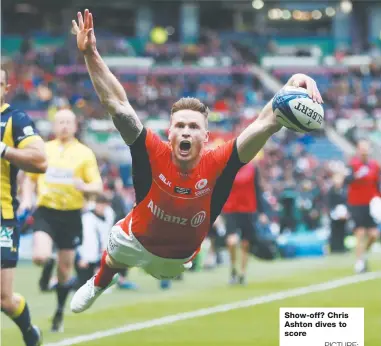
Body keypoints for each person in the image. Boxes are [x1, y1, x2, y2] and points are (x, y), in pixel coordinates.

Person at [70, 9, 323, 313]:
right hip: (133, 239)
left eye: (193, 127)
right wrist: (91, 54)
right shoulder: (152, 149)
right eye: (180, 126)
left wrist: (294, 83)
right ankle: (99, 282)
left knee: (270, 126)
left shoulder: (219, 160)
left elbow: (266, 121)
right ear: (169, 132)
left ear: (206, 135)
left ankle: (111, 274)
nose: (186, 131)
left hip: (176, 261)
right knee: (113, 257)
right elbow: (116, 103)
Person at [21, 108, 102, 331]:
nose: (64, 126)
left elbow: (97, 185)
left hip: (71, 215)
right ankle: (47, 264)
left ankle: (58, 312)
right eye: (60, 122)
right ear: (54, 126)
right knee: (39, 256)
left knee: (65, 271)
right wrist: (27, 199)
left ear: (75, 126)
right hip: (46, 211)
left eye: (68, 122)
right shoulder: (44, 150)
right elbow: (29, 179)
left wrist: (84, 187)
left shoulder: (85, 154)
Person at [0, 65, 48, 346]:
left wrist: (3, 149)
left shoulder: (14, 119)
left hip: (2, 219)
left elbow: (40, 160)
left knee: (4, 299)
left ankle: (31, 337)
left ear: (4, 88)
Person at [222, 161, 266, 285]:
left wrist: (262, 212)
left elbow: (257, 189)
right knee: (232, 241)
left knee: (246, 243)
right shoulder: (227, 167)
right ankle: (233, 267)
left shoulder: (252, 168)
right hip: (230, 208)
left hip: (248, 209)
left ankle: (242, 272)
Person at [346, 140, 380, 273]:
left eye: (366, 148)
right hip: (356, 203)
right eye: (362, 148)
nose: (364, 151)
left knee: (373, 234)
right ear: (358, 150)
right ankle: (359, 262)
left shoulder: (375, 166)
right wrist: (356, 175)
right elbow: (346, 181)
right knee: (360, 233)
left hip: (371, 204)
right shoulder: (353, 164)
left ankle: (364, 256)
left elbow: (378, 184)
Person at [328, 173, 349, 253]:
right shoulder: (331, 190)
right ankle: (334, 248)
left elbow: (347, 201)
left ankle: (341, 247)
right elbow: (330, 203)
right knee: (334, 231)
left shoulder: (345, 189)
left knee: (342, 231)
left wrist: (346, 212)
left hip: (343, 214)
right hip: (334, 214)